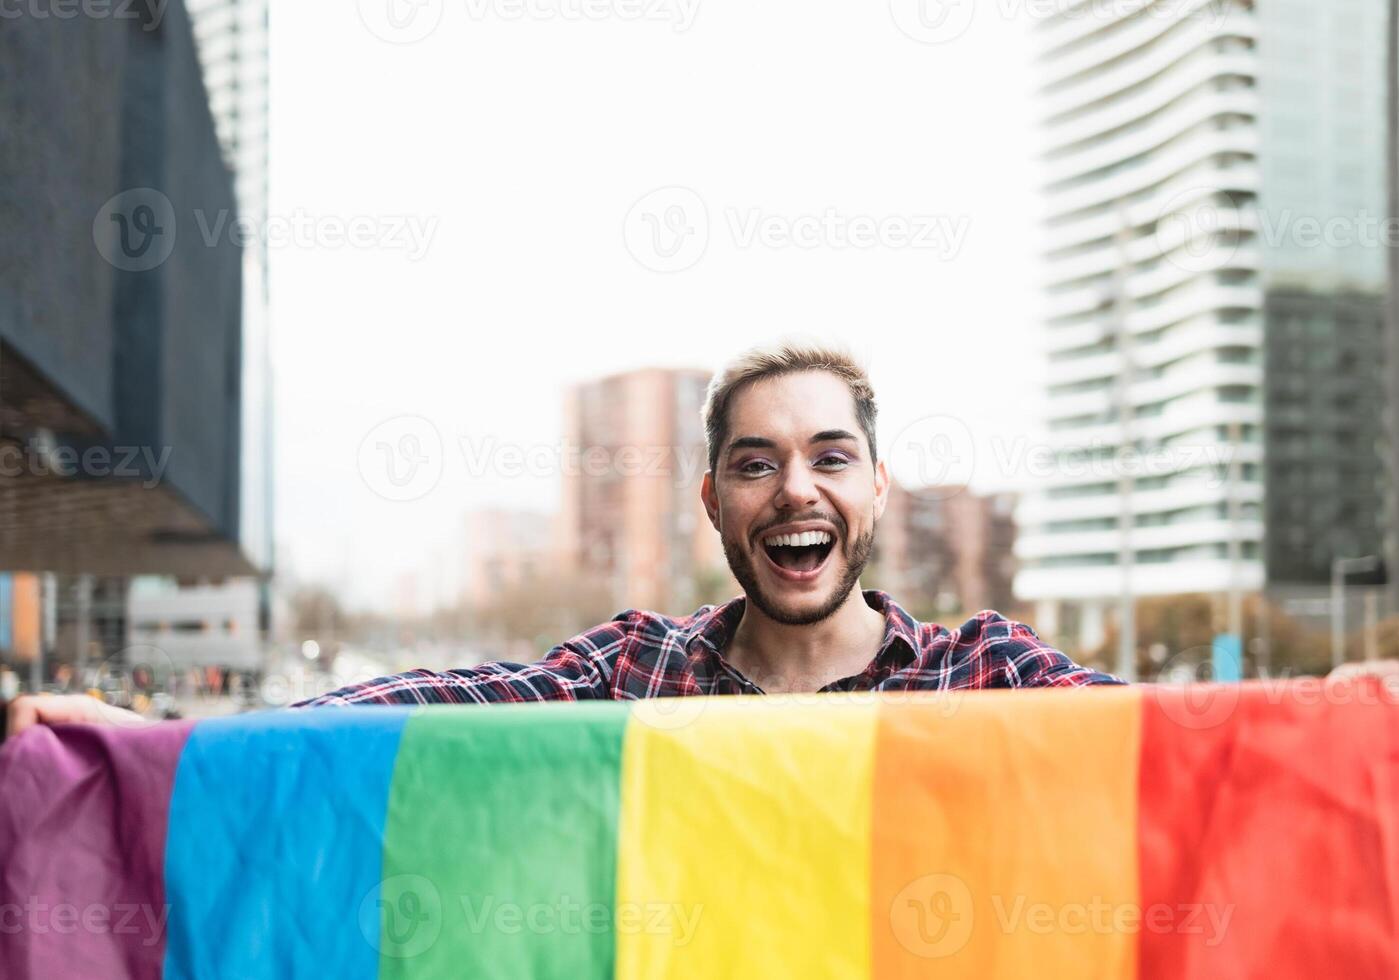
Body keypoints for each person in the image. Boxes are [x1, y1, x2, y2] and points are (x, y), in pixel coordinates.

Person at [7, 342, 1121, 736]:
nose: (795, 490)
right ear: (710, 497)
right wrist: (148, 737)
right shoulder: (634, 668)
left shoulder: (985, 672)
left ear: (875, 489)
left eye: (830, 457)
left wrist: (1307, 714)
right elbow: (416, 708)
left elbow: (1190, 752)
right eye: (754, 462)